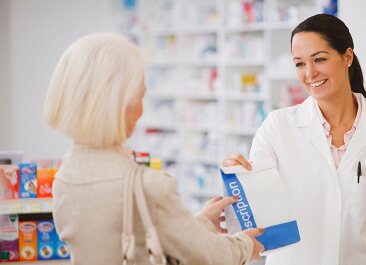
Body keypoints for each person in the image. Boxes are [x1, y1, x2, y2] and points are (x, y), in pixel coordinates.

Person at [43, 33, 264, 265]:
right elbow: (206, 256)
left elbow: (128, 238)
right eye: (139, 97)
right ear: (119, 104)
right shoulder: (145, 186)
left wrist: (202, 223)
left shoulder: (65, 178)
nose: (140, 110)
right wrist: (244, 245)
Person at [222, 14, 366, 265]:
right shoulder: (277, 127)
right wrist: (239, 183)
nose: (310, 73)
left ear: (347, 57)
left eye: (320, 59)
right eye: (299, 64)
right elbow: (255, 224)